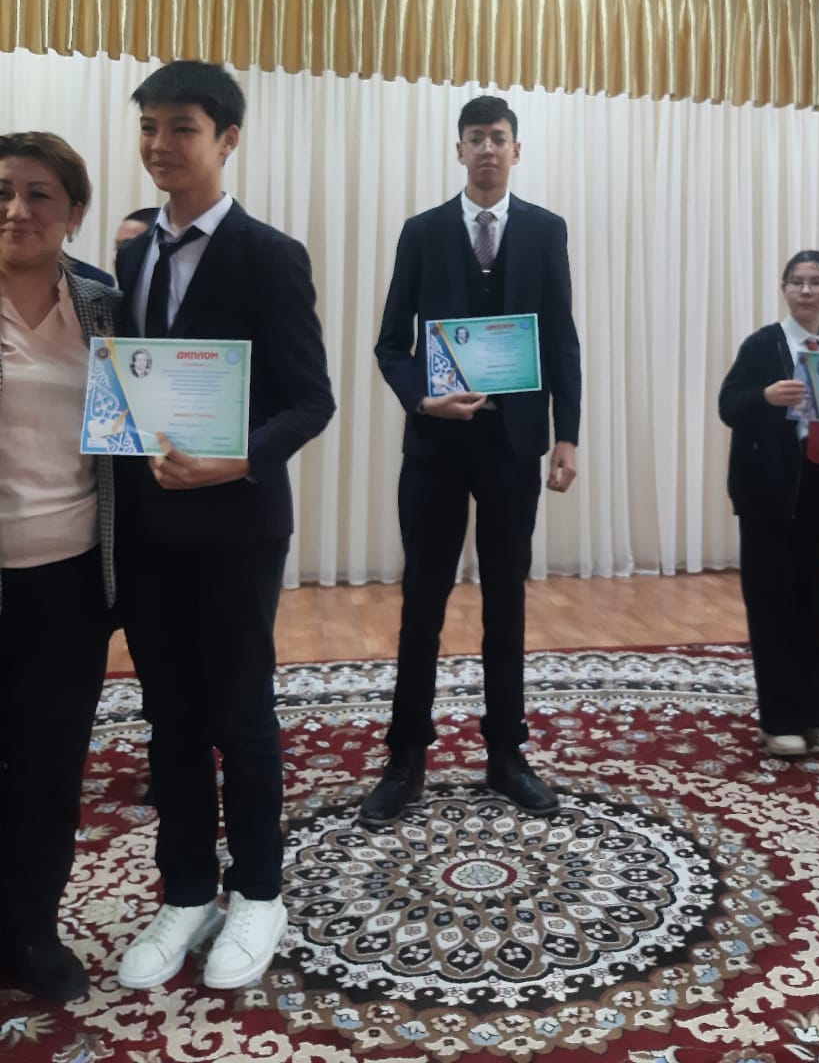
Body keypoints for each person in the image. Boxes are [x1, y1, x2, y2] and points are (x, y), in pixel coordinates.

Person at [114, 61, 335, 991]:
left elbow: (312, 400)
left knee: (240, 715)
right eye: (149, 127)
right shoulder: (131, 255)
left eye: (183, 128)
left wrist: (234, 459)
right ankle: (187, 891)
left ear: (228, 139)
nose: (161, 145)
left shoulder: (269, 254)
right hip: (147, 527)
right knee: (167, 715)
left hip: (239, 524)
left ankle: (259, 891)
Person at [363, 95, 581, 825]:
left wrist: (568, 434)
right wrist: (423, 399)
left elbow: (562, 339)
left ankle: (506, 754)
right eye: (476, 137)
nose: (488, 148)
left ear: (517, 151)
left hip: (514, 448)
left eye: (499, 137)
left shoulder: (546, 231)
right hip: (435, 447)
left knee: (506, 603)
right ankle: (405, 758)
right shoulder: (422, 232)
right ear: (459, 150)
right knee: (422, 603)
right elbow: (391, 345)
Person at [0, 132, 120, 1001]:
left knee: (47, 765)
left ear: (73, 212)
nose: (16, 210)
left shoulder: (105, 305)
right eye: (2, 192)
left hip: (70, 577)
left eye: (39, 194)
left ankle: (33, 932)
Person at [718, 249, 819, 758]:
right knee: (771, 605)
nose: (807, 290)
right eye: (798, 281)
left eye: (817, 281)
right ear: (784, 288)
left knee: (810, 605)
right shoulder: (763, 345)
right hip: (767, 493)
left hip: (818, 488)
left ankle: (815, 715)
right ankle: (778, 720)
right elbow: (728, 406)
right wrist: (765, 397)